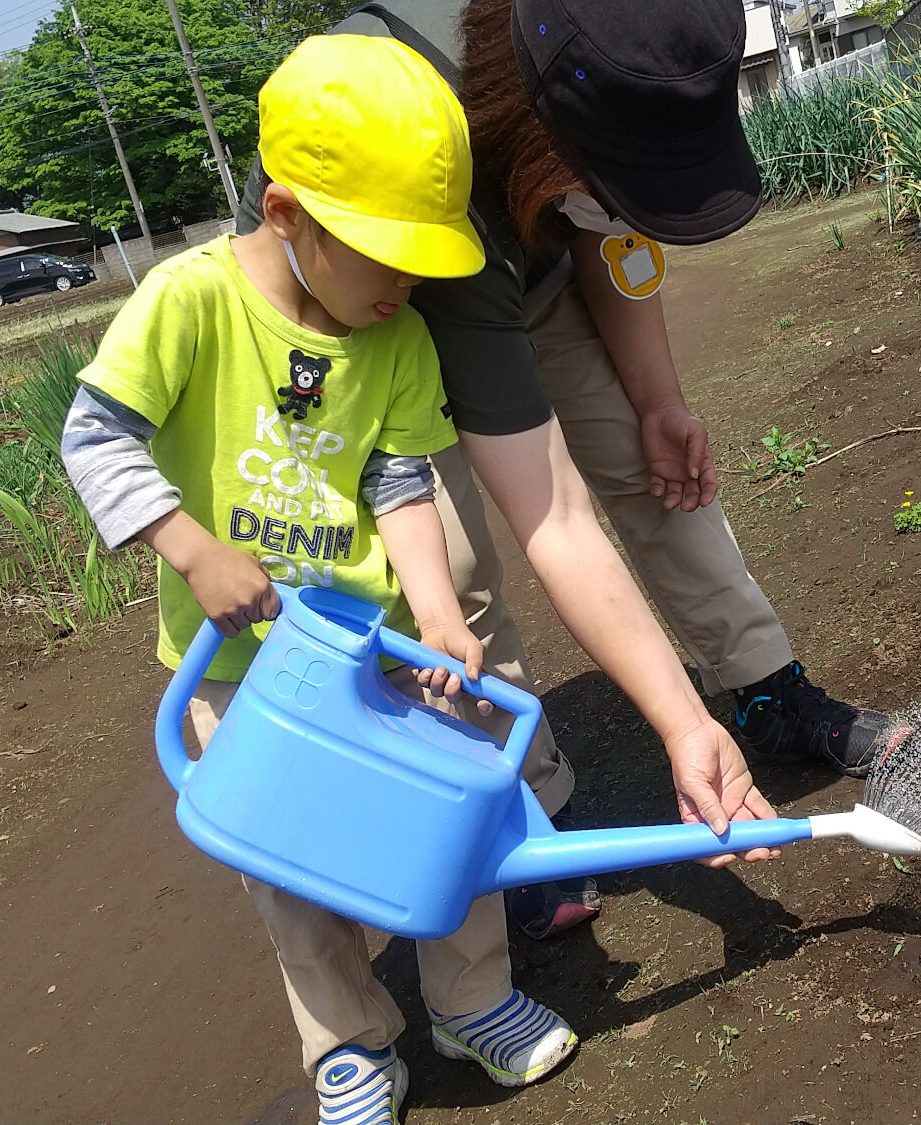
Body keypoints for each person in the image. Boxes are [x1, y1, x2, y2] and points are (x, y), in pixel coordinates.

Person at [62, 37, 777, 1124]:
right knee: (292, 869)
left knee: (445, 819)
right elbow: (96, 436)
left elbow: (400, 480)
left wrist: (437, 609)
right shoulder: (187, 303)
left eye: (420, 259)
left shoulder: (391, 336)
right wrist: (190, 547)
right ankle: (346, 1049)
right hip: (245, 670)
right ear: (286, 213)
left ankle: (471, 1000)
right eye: (384, 255)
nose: (405, 284)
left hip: (386, 647)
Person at [236, 0, 909, 940]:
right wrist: (679, 727)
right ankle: (515, 811)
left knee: (647, 453)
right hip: (381, 287)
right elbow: (552, 518)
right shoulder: (438, 131)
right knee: (449, 566)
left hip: (526, 239)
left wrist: (660, 399)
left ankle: (762, 687)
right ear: (551, 137)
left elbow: (611, 227)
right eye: (613, 180)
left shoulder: (603, 57)